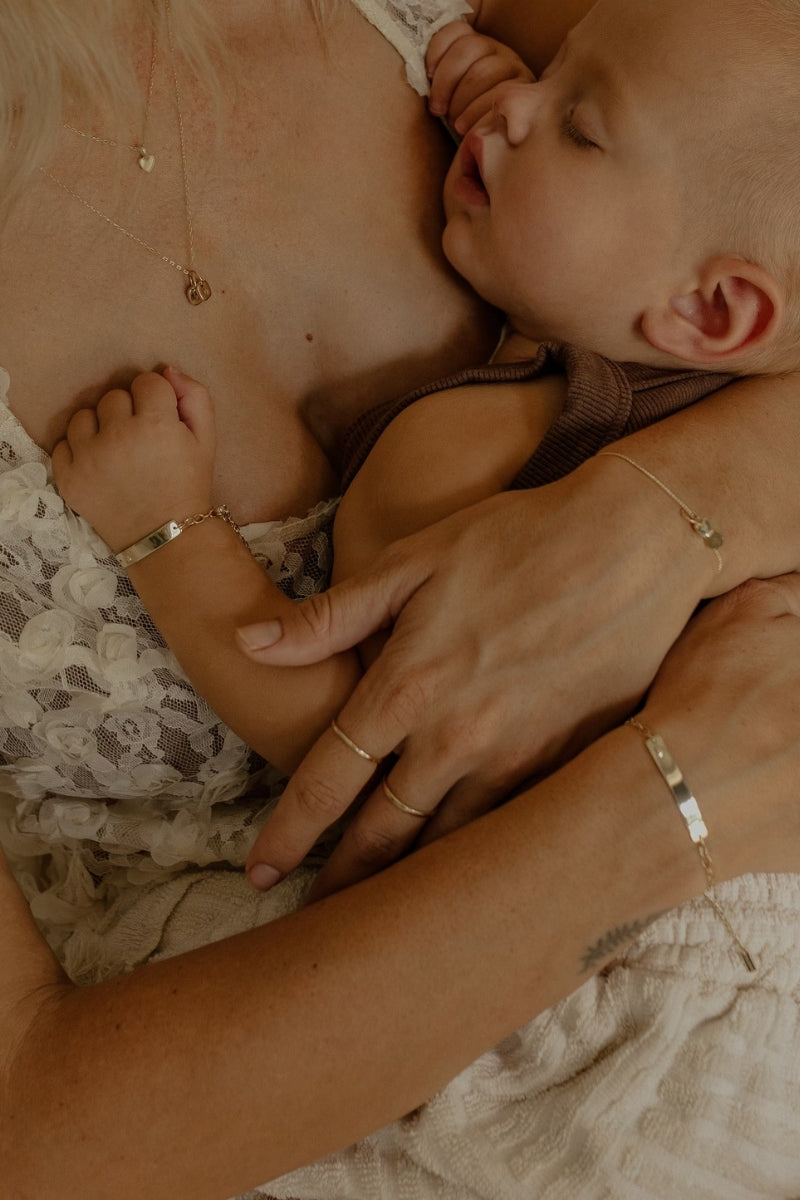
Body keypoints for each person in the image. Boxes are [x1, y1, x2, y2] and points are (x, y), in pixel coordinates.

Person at [0, 0, 799, 1196]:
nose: (515, 96)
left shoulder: (458, 448)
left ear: (714, 314)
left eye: (571, 118)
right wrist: (673, 796)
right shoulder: (603, 352)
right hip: (483, 969)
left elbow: (341, 731)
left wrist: (167, 536)